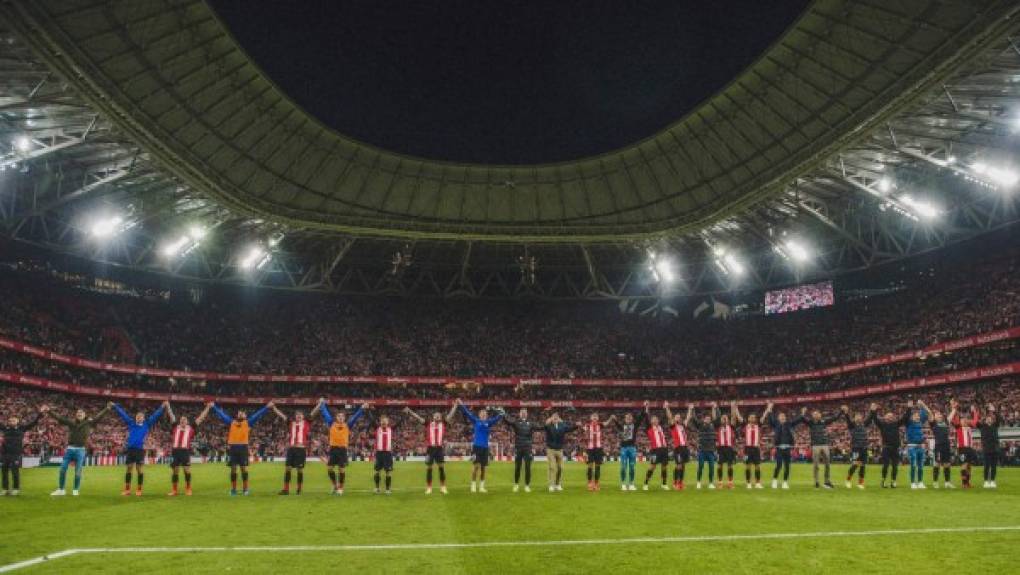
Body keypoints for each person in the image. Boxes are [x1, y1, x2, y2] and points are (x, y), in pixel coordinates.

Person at [209, 401, 274, 496]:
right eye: (239, 412)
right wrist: (214, 406)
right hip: (233, 448)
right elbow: (222, 415)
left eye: (242, 413)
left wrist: (266, 407)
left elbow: (257, 415)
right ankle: (233, 489)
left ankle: (245, 489)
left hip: (243, 447)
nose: (240, 413)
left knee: (244, 469)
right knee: (233, 469)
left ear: (245, 416)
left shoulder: (248, 422)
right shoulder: (231, 422)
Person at [50, 402, 112, 496]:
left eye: (81, 413)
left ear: (85, 415)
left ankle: (75, 489)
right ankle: (61, 489)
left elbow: (98, 417)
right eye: (78, 413)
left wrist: (107, 409)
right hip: (70, 449)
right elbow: (60, 418)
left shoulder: (89, 423)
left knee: (78, 471)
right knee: (62, 469)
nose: (79, 414)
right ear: (76, 415)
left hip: (80, 450)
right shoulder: (71, 422)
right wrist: (49, 411)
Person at [112, 401, 168, 496]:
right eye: (137, 417)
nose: (139, 418)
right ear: (135, 418)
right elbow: (123, 415)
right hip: (130, 449)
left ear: (143, 418)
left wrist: (162, 407)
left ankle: (139, 489)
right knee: (129, 469)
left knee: (139, 469)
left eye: (140, 417)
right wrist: (115, 407)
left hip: (139, 450)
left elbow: (155, 416)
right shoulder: (131, 423)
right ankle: (127, 489)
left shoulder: (147, 424)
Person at [315, 399, 366, 496]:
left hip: (342, 449)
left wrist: (362, 408)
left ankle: (341, 488)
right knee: (330, 468)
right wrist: (322, 404)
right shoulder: (331, 423)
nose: (341, 417)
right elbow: (325, 414)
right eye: (339, 416)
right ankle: (335, 485)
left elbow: (355, 417)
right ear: (336, 417)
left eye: (342, 416)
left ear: (345, 418)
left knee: (341, 469)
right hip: (333, 449)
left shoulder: (348, 425)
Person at [403, 404, 458, 494]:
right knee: (429, 468)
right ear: (433, 417)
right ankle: (429, 488)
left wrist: (455, 406)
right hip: (430, 449)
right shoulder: (428, 423)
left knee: (441, 468)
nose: (437, 416)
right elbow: (418, 417)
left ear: (440, 417)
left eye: (439, 415)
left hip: (439, 449)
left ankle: (443, 487)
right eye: (435, 415)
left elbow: (450, 415)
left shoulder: (443, 423)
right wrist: (410, 411)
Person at [457, 400, 504, 493]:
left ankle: (482, 486)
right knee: (476, 467)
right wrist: (461, 404)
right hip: (476, 447)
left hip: (485, 448)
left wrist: (501, 411)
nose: (483, 414)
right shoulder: (476, 421)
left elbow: (499, 417)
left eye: (485, 413)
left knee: (483, 468)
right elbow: (467, 412)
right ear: (479, 415)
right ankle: (473, 485)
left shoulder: (489, 422)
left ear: (486, 415)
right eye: (482, 413)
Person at [270, 403, 318, 495]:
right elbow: (282, 415)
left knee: (299, 470)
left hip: (301, 449)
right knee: (287, 468)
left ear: (303, 416)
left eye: (300, 415)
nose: (299, 416)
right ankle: (286, 489)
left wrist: (319, 404)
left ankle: (299, 489)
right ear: (295, 416)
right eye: (297, 414)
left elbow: (313, 412)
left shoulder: (306, 422)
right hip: (291, 449)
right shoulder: (291, 422)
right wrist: (274, 408)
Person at [165, 403, 211, 496]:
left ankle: (188, 489)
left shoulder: (191, 428)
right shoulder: (175, 427)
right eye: (181, 420)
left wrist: (208, 407)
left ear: (187, 422)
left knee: (187, 470)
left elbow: (200, 418)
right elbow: (171, 415)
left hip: (185, 451)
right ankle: (174, 490)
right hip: (176, 451)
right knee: (175, 471)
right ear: (180, 421)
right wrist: (168, 406)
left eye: (184, 420)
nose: (183, 421)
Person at [1, 404, 48, 496]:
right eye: (10, 420)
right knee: (4, 472)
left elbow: (34, 422)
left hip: (15, 454)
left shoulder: (22, 428)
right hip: (5, 454)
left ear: (17, 421)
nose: (11, 421)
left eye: (13, 420)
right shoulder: (5, 428)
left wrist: (41, 413)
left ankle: (16, 489)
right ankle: (5, 489)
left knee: (15, 472)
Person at [793, 406, 838, 489]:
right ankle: (816, 482)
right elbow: (802, 419)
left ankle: (827, 481)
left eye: (817, 414)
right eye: (814, 414)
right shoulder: (811, 422)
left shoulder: (824, 421)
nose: (816, 415)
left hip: (825, 445)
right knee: (816, 465)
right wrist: (803, 412)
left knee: (827, 464)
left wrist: (842, 411)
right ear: (813, 416)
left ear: (820, 415)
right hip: (815, 445)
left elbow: (834, 418)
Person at [364, 405, 403, 495]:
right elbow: (371, 419)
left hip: (388, 454)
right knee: (377, 471)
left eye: (385, 421)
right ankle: (377, 488)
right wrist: (367, 410)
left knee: (388, 472)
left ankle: (388, 489)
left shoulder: (391, 429)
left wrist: (405, 413)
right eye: (382, 421)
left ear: (388, 422)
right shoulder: (377, 428)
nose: (384, 422)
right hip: (379, 453)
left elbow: (399, 422)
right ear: (380, 422)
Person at [867, 402, 907, 488]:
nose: (890, 417)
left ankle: (893, 481)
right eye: (888, 416)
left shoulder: (896, 424)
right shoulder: (882, 424)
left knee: (895, 466)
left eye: (891, 416)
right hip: (886, 448)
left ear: (893, 418)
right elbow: (875, 419)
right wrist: (873, 410)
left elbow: (904, 418)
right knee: (885, 465)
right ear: (885, 417)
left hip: (895, 448)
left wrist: (909, 408)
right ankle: (883, 480)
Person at [503, 408, 543, 492]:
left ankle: (527, 485)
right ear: (520, 414)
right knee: (518, 467)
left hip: (528, 448)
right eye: (522, 412)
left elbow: (540, 427)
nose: (524, 414)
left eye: (525, 412)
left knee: (528, 467)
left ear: (527, 414)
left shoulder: (531, 423)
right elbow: (508, 421)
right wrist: (503, 414)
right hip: (519, 447)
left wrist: (548, 423)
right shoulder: (516, 422)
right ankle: (516, 484)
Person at [613, 409, 646, 491]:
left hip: (632, 448)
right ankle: (623, 484)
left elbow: (640, 418)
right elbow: (617, 424)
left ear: (632, 419)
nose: (628, 418)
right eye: (627, 417)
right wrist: (614, 419)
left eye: (630, 417)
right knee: (623, 467)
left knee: (632, 467)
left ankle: (631, 484)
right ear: (625, 419)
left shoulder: (635, 426)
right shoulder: (622, 426)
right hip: (624, 448)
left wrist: (644, 407)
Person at [732, 403, 764, 489]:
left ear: (755, 419)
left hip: (756, 448)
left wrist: (768, 408)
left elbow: (764, 416)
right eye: (751, 417)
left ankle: (757, 483)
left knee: (757, 466)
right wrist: (736, 409)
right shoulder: (746, 425)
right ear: (748, 418)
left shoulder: (758, 425)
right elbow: (739, 418)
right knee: (748, 466)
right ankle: (748, 483)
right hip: (748, 449)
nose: (752, 418)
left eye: (754, 417)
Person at [543, 412, 577, 492]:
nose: (555, 419)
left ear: (558, 419)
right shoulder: (548, 426)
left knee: (560, 468)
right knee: (552, 467)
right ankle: (551, 485)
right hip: (550, 449)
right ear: (551, 418)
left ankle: (557, 484)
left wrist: (576, 426)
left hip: (560, 450)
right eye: (553, 417)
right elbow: (544, 426)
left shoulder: (562, 425)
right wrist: (547, 421)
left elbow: (570, 429)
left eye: (556, 417)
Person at [949, 400, 979, 489]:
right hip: (962, 448)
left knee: (969, 466)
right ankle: (964, 483)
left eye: (965, 419)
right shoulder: (958, 427)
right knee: (964, 465)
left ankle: (968, 482)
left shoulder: (970, 426)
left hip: (970, 448)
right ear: (960, 421)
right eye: (962, 419)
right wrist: (953, 407)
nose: (964, 420)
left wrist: (974, 411)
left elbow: (975, 421)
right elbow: (953, 418)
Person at [582, 412, 615, 491]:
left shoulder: (600, 425)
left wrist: (610, 418)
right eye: (593, 416)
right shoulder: (587, 426)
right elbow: (583, 432)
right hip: (590, 449)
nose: (594, 417)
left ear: (598, 418)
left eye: (596, 416)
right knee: (590, 466)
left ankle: (596, 483)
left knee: (597, 466)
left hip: (598, 449)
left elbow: (606, 423)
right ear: (591, 418)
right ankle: (590, 483)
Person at [641, 401, 671, 491]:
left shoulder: (660, 426)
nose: (655, 420)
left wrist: (665, 407)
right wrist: (646, 407)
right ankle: (645, 483)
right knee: (652, 466)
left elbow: (664, 416)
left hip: (664, 449)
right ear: (651, 421)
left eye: (656, 419)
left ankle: (664, 484)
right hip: (655, 450)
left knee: (664, 467)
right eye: (653, 419)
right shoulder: (649, 428)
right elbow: (646, 417)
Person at [663, 402, 693, 490]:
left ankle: (681, 482)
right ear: (674, 418)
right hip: (678, 448)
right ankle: (675, 482)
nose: (678, 418)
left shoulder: (683, 425)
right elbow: (669, 417)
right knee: (678, 465)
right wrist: (667, 407)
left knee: (683, 465)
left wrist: (690, 409)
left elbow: (688, 418)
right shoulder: (673, 426)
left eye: (679, 417)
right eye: (676, 417)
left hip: (685, 448)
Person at [764, 402, 794, 489]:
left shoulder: (788, 425)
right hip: (779, 448)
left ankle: (785, 482)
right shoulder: (776, 425)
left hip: (787, 448)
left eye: (784, 416)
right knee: (779, 465)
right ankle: (774, 480)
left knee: (787, 466)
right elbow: (770, 419)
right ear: (778, 418)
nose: (782, 417)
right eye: (781, 416)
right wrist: (769, 409)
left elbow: (796, 421)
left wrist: (802, 415)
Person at [840, 405, 869, 489]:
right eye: (857, 417)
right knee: (855, 465)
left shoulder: (864, 424)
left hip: (864, 448)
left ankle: (860, 483)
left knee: (863, 466)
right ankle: (848, 480)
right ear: (855, 418)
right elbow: (848, 420)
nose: (858, 418)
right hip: (856, 448)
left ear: (862, 418)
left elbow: (871, 417)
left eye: (860, 417)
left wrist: (872, 410)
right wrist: (846, 413)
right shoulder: (852, 425)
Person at [691, 404, 718, 490]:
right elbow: (694, 419)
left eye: (709, 419)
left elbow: (718, 418)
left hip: (711, 451)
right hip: (702, 450)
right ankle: (698, 482)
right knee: (701, 466)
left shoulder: (713, 425)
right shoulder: (700, 425)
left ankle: (711, 483)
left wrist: (715, 408)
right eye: (706, 418)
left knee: (712, 467)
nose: (708, 420)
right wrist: (692, 410)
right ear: (704, 419)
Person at [905, 400, 930, 489]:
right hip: (912, 446)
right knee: (913, 465)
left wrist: (922, 405)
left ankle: (920, 482)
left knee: (920, 466)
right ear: (912, 417)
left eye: (918, 415)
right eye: (915, 415)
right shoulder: (909, 423)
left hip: (920, 447)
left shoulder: (920, 422)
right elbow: (906, 416)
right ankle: (912, 483)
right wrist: (909, 407)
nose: (917, 416)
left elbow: (926, 412)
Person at [714, 402, 738, 489]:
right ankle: (720, 482)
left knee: (730, 465)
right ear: (721, 420)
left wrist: (733, 408)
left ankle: (730, 482)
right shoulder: (718, 426)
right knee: (719, 465)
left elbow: (734, 417)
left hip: (729, 448)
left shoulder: (731, 426)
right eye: (723, 418)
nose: (724, 419)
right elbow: (714, 417)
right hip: (720, 448)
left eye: (725, 418)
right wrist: (715, 407)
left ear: (727, 419)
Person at [929, 406, 954, 489]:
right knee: (937, 464)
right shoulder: (933, 424)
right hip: (938, 446)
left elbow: (951, 415)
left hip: (946, 446)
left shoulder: (946, 422)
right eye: (937, 415)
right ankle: (935, 482)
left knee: (947, 464)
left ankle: (947, 482)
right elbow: (929, 413)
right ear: (935, 417)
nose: (939, 416)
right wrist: (923, 405)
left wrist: (954, 408)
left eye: (940, 415)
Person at [978, 404, 1001, 488]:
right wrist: (984, 416)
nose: (989, 420)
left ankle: (993, 481)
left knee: (994, 466)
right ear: (985, 420)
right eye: (987, 419)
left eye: (990, 419)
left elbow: (998, 418)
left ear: (992, 420)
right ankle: (986, 481)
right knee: (986, 466)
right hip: (986, 449)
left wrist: (993, 410)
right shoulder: (982, 427)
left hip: (995, 449)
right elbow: (977, 423)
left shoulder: (995, 426)